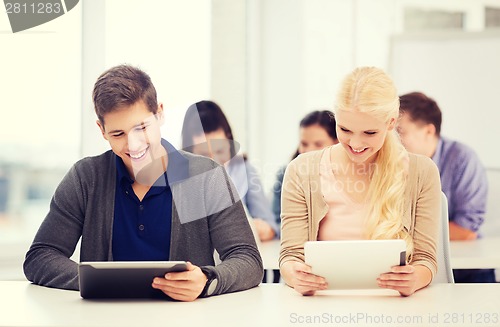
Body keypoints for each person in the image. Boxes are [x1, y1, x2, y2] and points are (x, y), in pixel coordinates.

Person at [23, 65, 263, 301]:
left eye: (141, 127)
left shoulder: (206, 176)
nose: (133, 144)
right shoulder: (86, 177)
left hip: (184, 319)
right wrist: (97, 282)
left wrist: (207, 281)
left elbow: (248, 260)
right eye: (118, 134)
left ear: (159, 114)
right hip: (104, 319)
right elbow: (40, 257)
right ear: (102, 130)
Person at [279, 67, 441, 297]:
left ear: (391, 123)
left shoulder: (422, 172)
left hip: (395, 306)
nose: (355, 143)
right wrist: (294, 275)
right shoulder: (301, 170)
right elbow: (290, 256)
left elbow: (427, 260)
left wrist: (416, 278)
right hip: (323, 305)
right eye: (345, 129)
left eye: (369, 132)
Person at [398, 91, 495, 283]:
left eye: (400, 131)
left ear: (429, 131)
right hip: (413, 268)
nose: (393, 139)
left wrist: (413, 234)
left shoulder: (463, 159)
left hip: (467, 273)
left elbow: (466, 230)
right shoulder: (393, 161)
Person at [181, 100, 279, 242]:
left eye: (220, 150)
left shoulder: (244, 170)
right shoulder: (179, 178)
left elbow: (271, 228)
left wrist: (260, 229)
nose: (214, 161)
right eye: (204, 155)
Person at [271, 110, 338, 224]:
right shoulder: (285, 174)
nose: (308, 151)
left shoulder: (349, 172)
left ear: (336, 143)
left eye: (318, 144)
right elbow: (278, 222)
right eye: (304, 144)